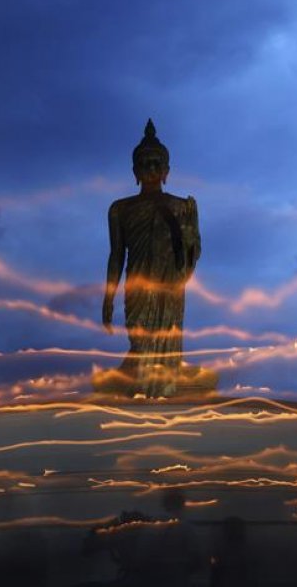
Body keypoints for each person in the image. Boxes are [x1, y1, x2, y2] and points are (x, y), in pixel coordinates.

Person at [100, 119, 202, 398]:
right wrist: (108, 297)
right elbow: (116, 254)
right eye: (145, 164)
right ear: (135, 171)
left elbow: (189, 257)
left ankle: (162, 391)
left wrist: (191, 230)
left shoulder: (181, 207)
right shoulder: (120, 209)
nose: (152, 169)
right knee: (139, 338)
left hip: (169, 287)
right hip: (138, 284)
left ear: (167, 171)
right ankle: (140, 388)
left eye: (158, 164)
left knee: (165, 337)